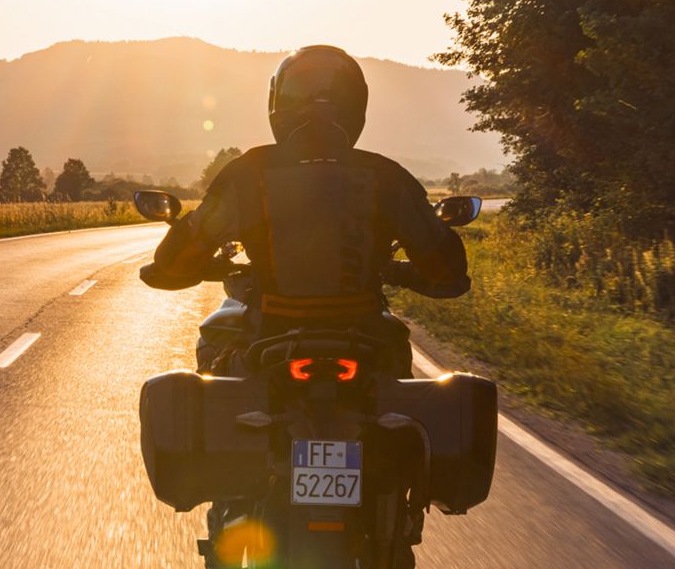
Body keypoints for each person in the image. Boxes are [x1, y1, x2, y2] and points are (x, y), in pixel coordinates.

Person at [139, 44, 471, 375]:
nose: (319, 106)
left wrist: (181, 264)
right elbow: (447, 270)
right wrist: (401, 271)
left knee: (206, 370)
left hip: (266, 344)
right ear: (357, 105)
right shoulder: (388, 176)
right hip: (369, 348)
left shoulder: (247, 174)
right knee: (402, 371)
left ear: (279, 103)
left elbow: (179, 257)